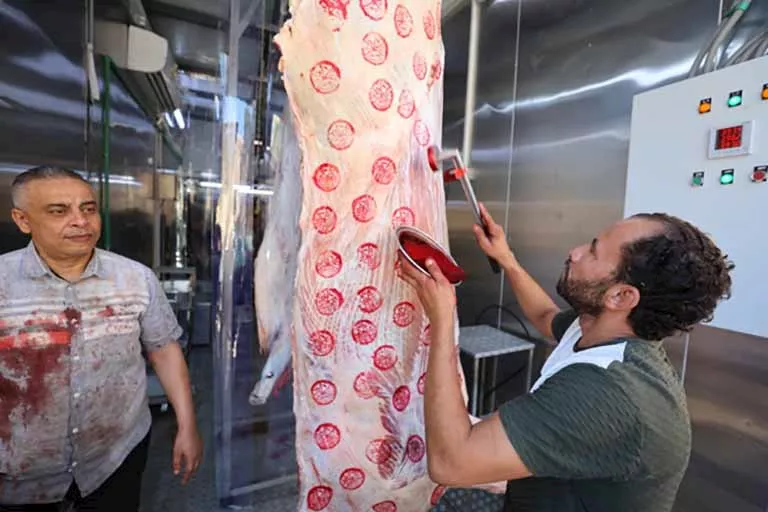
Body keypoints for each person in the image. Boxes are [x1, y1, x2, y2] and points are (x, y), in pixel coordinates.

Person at [399, 203, 734, 512]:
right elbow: (545, 316)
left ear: (621, 296)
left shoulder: (605, 393)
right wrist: (506, 259)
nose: (575, 252)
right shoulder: (599, 327)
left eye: (593, 252)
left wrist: (442, 319)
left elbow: (450, 463)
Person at [0, 166, 203, 511]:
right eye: (59, 211)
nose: (81, 221)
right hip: (20, 472)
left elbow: (164, 350)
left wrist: (187, 425)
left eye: (89, 208)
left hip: (114, 458)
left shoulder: (135, 279)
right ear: (22, 220)